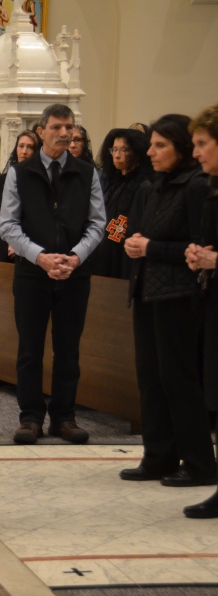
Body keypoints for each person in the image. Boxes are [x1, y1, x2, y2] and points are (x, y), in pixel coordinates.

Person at [0, 104, 106, 445]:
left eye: (70, 128)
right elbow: (8, 225)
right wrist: (41, 258)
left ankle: (64, 417)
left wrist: (75, 258)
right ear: (41, 131)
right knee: (30, 349)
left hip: (75, 274)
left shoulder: (87, 172)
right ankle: (30, 417)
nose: (65, 133)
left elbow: (98, 223)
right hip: (33, 274)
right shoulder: (20, 172)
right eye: (58, 127)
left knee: (68, 350)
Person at [119, 114, 216, 488]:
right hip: (147, 289)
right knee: (150, 378)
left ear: (181, 148)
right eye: (152, 145)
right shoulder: (154, 185)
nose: (152, 152)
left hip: (179, 294)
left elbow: (199, 247)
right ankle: (158, 456)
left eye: (161, 146)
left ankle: (198, 463)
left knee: (178, 380)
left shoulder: (195, 186)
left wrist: (150, 247)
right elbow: (140, 231)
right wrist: (133, 242)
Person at [183, 102, 218, 518]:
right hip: (209, 301)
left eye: (202, 144)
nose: (197, 153)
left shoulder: (85, 177)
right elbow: (115, 225)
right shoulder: (208, 187)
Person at [89, 129, 152, 279]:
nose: (116, 155)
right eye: (115, 149)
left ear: (137, 152)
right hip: (107, 253)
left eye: (124, 150)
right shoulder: (115, 183)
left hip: (127, 255)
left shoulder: (144, 186)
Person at [0, 130, 39, 262]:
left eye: (30, 147)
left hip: (30, 244)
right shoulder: (5, 179)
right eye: (21, 146)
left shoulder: (40, 181)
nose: (24, 151)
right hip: (3, 243)